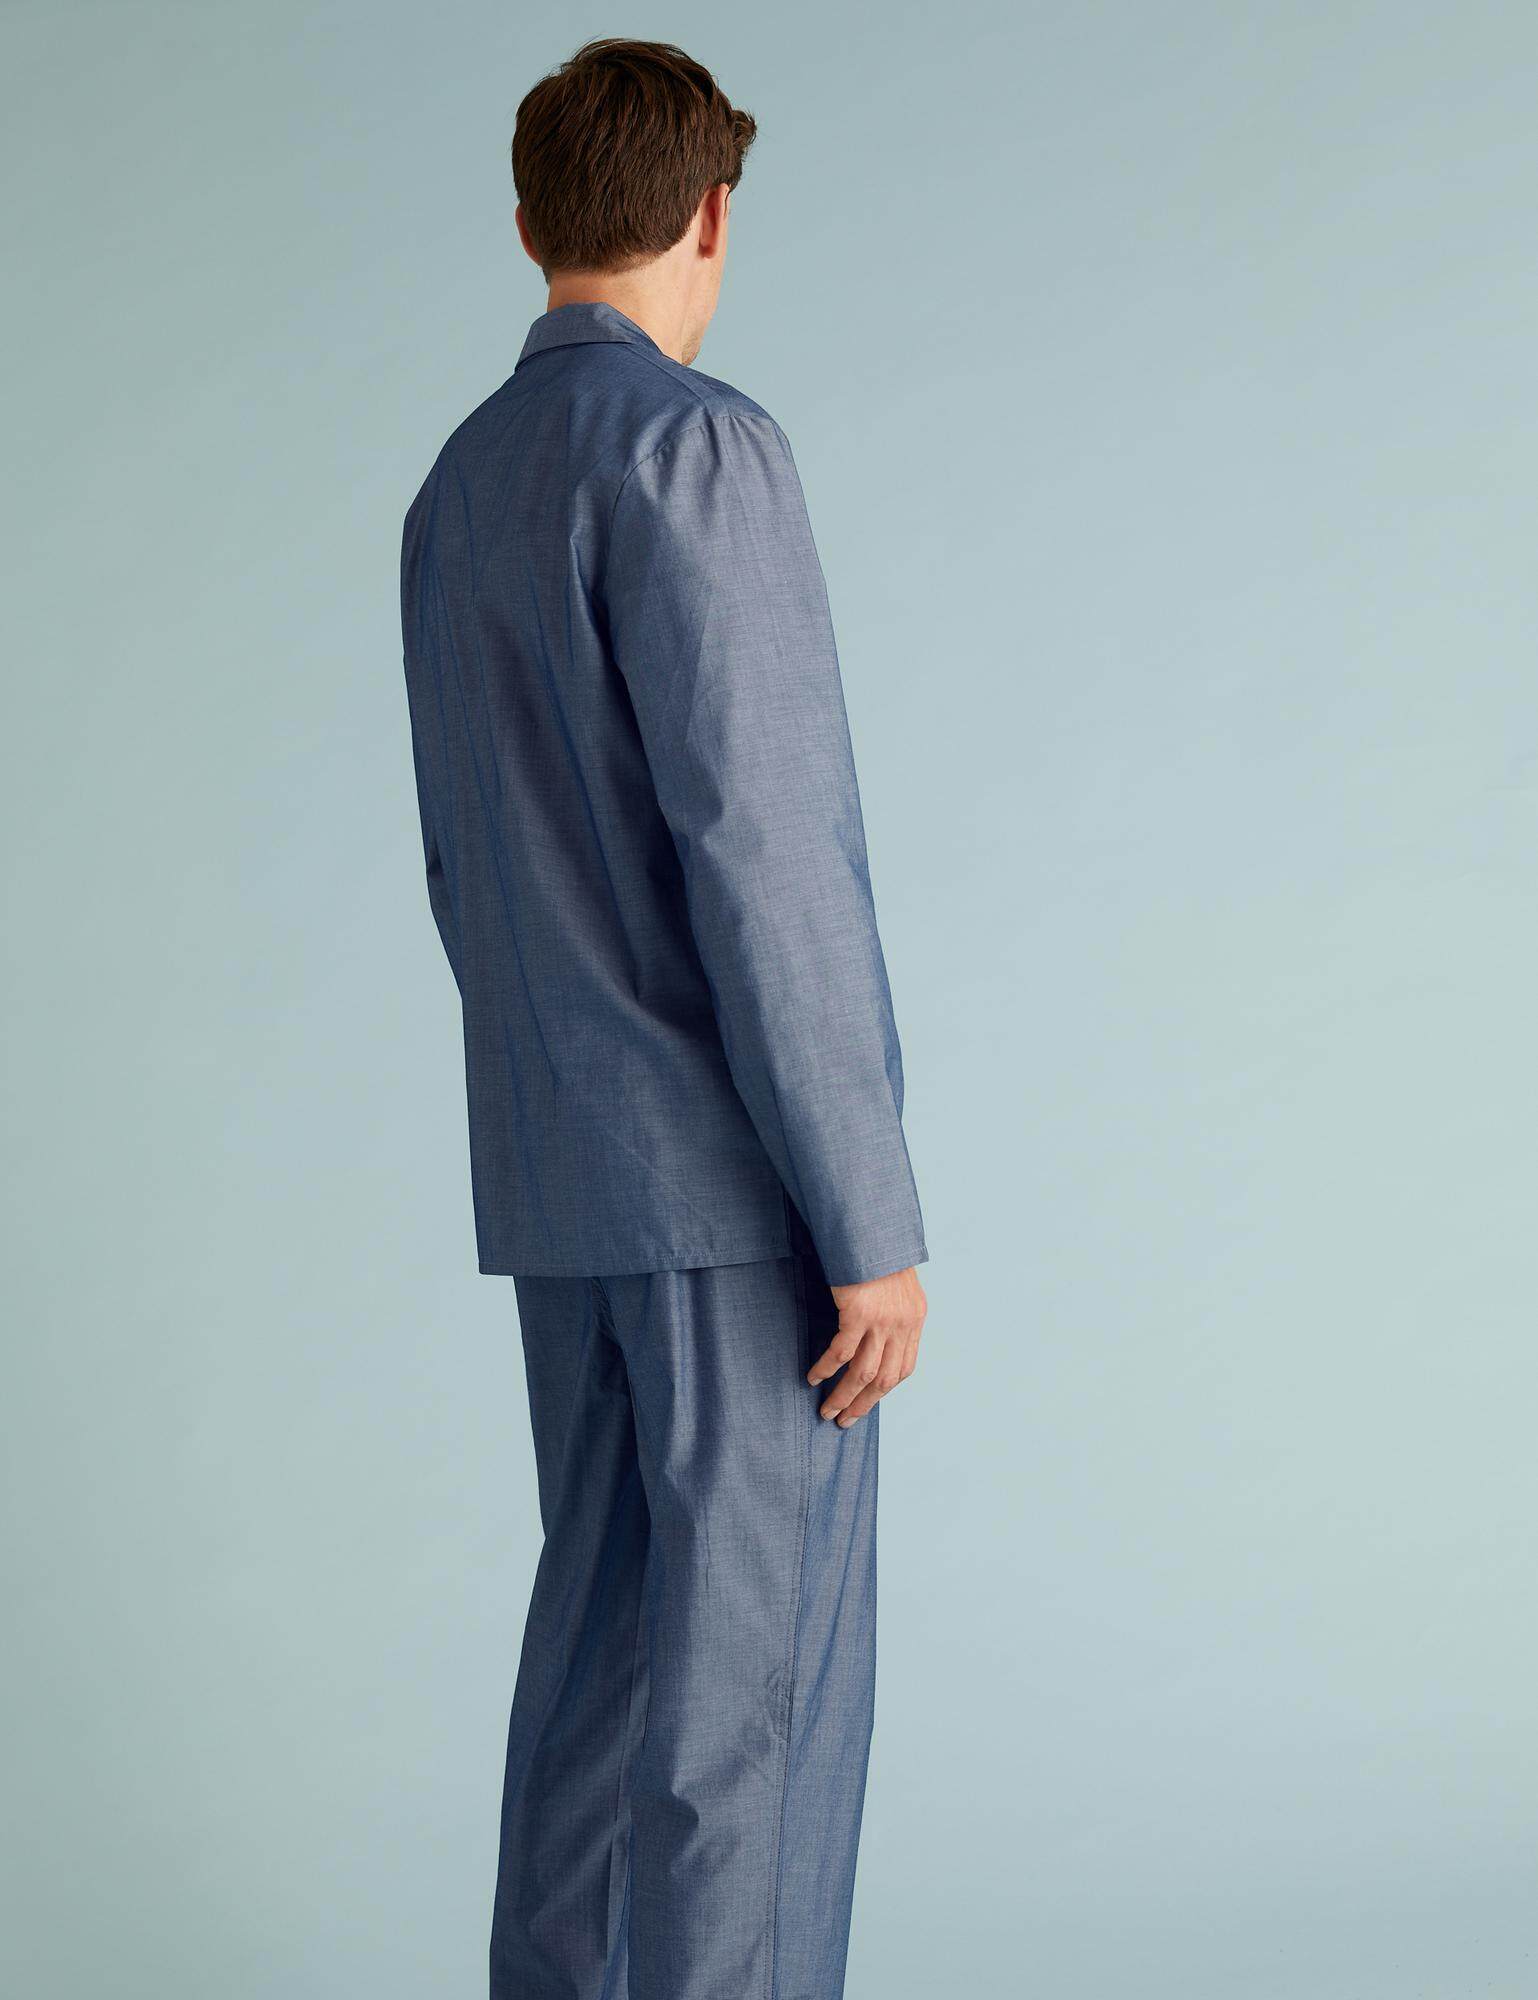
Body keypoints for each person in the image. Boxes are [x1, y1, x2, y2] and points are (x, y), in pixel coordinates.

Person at [399, 37, 929, 2000]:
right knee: (743, 1721)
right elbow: (765, 851)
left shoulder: (462, 483)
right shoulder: (695, 449)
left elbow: (466, 867)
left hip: (566, 1178)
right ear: (711, 214)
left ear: (527, 225)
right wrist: (863, 1213)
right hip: (732, 1194)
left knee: (599, 1689)